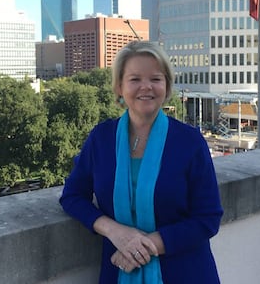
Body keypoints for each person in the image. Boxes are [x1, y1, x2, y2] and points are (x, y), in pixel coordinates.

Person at [59, 40, 223, 284]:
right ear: (119, 87)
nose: (146, 87)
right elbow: (72, 196)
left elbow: (208, 218)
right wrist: (115, 232)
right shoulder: (101, 139)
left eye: (155, 79)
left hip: (185, 273)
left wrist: (146, 246)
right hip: (118, 272)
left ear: (166, 86)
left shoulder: (190, 142)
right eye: (135, 79)